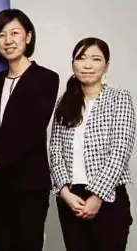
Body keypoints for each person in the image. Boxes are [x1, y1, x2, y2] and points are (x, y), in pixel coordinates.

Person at [0, 8, 59, 251]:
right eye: (1, 35)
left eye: (14, 33)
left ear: (28, 37)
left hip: (28, 187)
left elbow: (31, 132)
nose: (8, 40)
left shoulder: (47, 79)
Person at [49, 37, 135, 251]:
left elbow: (120, 150)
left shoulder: (119, 98)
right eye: (81, 58)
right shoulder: (65, 101)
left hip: (109, 197)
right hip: (71, 199)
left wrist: (97, 196)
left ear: (106, 66)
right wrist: (64, 193)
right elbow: (55, 150)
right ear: (73, 64)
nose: (87, 65)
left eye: (96, 59)